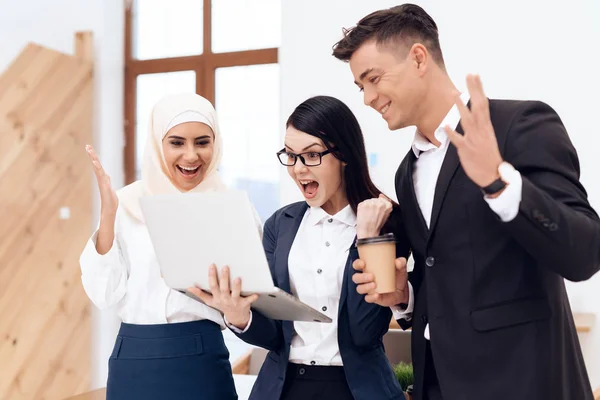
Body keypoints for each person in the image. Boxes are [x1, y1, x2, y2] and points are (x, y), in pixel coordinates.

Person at [331, 4, 600, 400]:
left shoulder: (518, 125)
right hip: (437, 383)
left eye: (373, 79)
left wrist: (499, 182)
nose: (368, 98)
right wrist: (404, 297)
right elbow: (446, 276)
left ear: (419, 58)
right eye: (360, 87)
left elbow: (584, 252)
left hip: (521, 382)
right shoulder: (408, 173)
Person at [189, 95, 407, 400]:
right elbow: (274, 335)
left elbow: (364, 332)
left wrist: (366, 237)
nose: (298, 169)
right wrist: (240, 317)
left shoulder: (386, 220)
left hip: (357, 389)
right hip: (283, 388)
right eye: (290, 155)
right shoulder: (281, 224)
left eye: (311, 155)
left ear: (344, 154)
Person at [79, 93, 238, 399]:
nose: (190, 155)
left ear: (215, 145)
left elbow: (248, 297)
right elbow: (104, 293)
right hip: (134, 357)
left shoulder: (231, 209)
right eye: (176, 142)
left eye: (202, 142)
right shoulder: (124, 204)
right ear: (156, 144)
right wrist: (108, 215)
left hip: (202, 358)